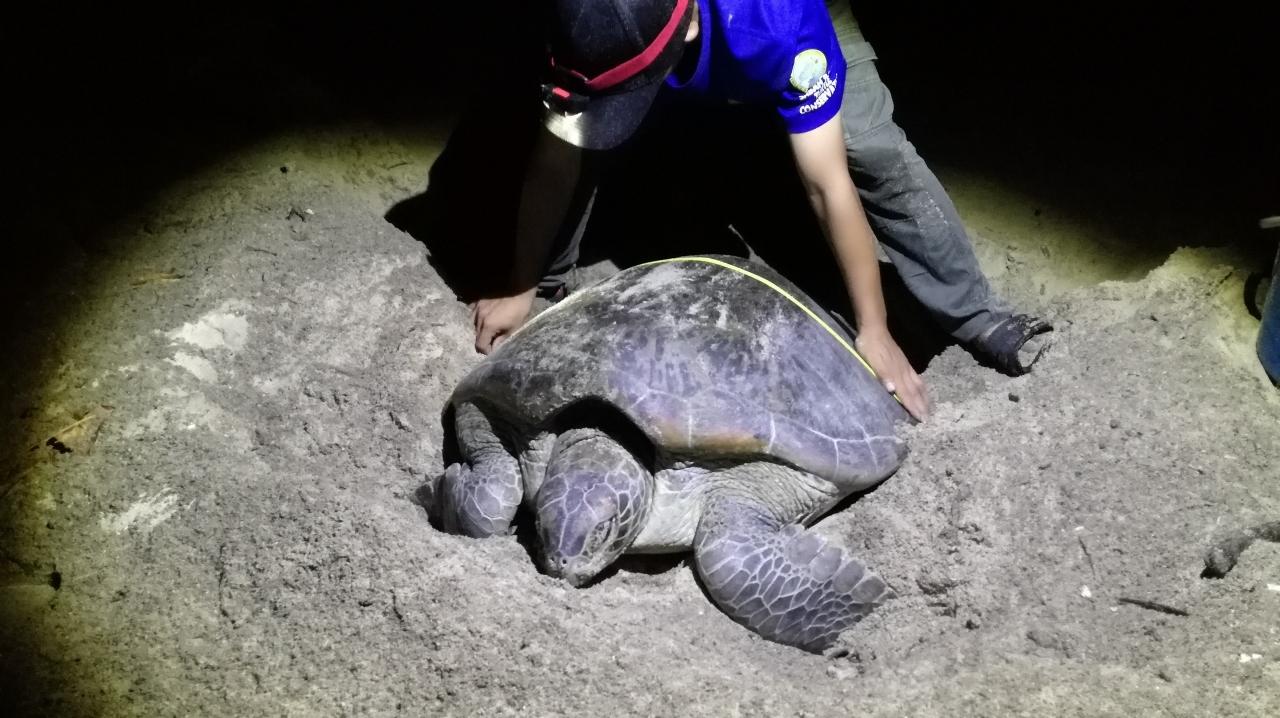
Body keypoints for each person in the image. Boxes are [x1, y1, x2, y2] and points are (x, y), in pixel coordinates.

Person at [470, 0, 1052, 421]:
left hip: (776, 24)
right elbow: (557, 158)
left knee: (870, 148)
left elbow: (827, 185)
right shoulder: (586, 19)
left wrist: (873, 330)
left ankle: (976, 314)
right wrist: (522, 283)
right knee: (589, 132)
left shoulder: (782, 22)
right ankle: (547, 284)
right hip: (647, 36)